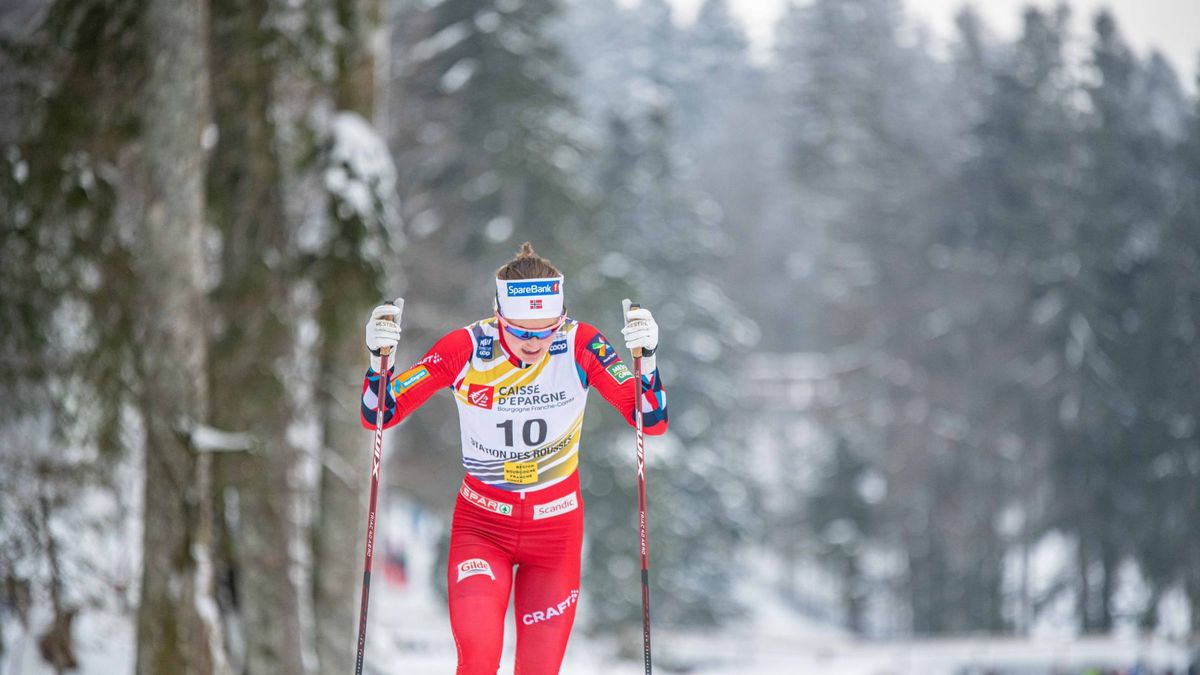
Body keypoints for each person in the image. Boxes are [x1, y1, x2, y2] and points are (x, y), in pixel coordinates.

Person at [360, 243, 668, 675]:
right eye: (521, 331)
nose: (535, 343)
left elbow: (648, 419)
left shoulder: (580, 343)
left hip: (556, 534)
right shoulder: (466, 347)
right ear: (497, 315)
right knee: (479, 659)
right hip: (482, 527)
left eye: (546, 330)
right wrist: (379, 362)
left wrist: (647, 361)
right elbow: (380, 413)